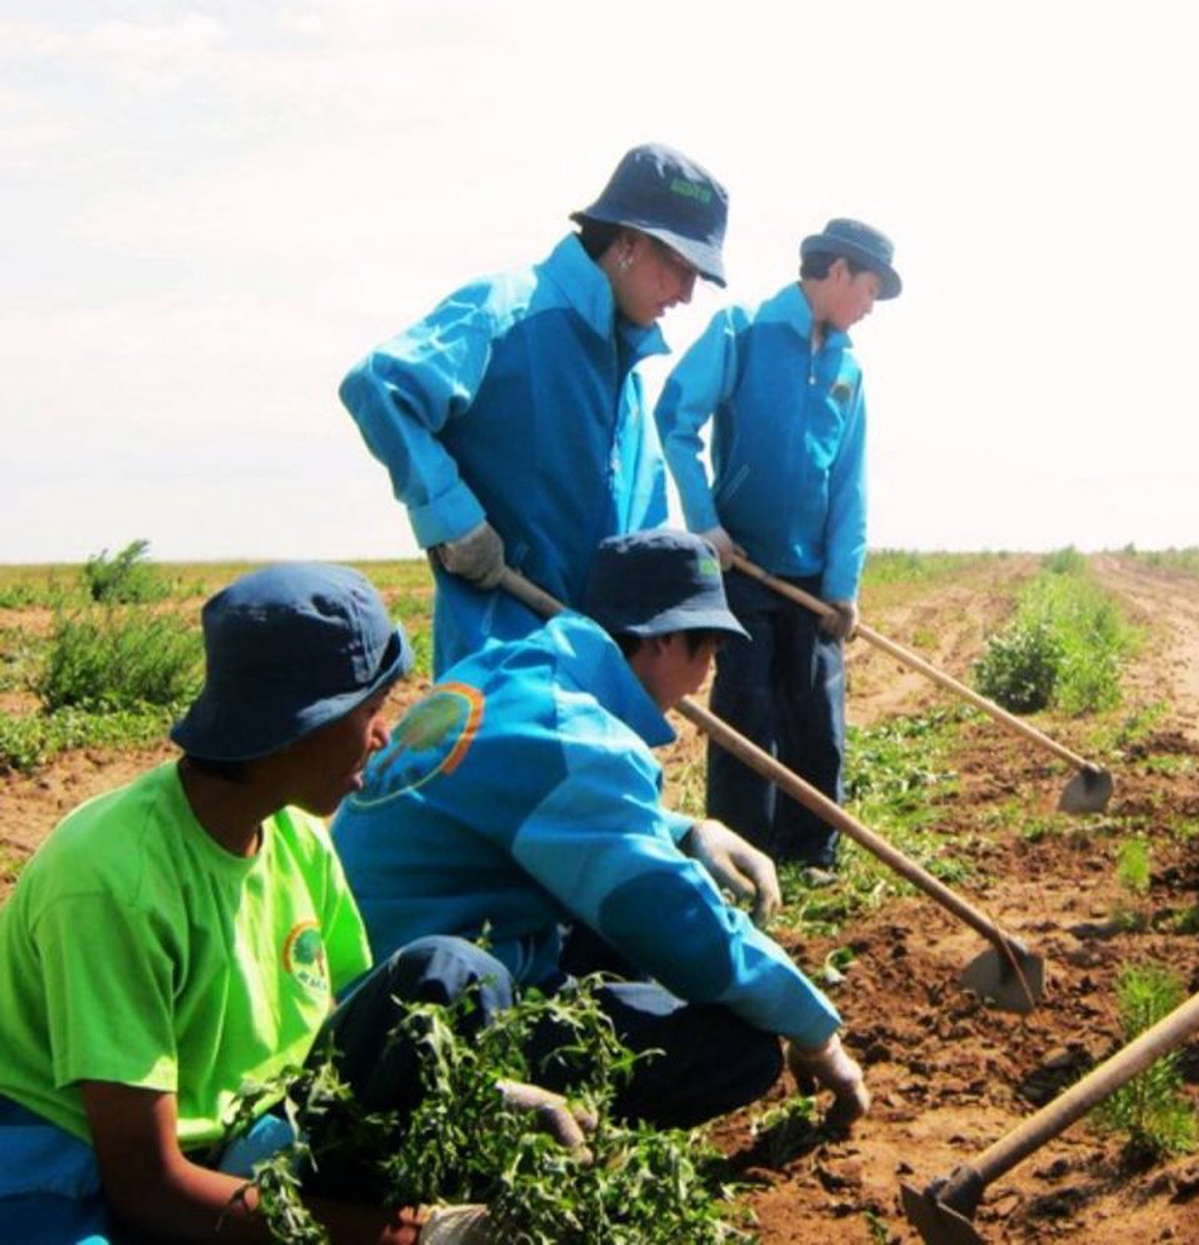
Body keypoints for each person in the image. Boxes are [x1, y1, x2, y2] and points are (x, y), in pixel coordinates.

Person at [0, 564, 499, 1243]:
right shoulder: (114, 877)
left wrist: (499, 1098)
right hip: (77, 1153)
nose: (381, 736)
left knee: (455, 977)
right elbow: (147, 1182)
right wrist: (396, 1234)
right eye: (367, 712)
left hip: (238, 1135)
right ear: (299, 725)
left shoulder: (297, 837)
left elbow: (341, 1035)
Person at [330, 530, 870, 1132]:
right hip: (424, 1022)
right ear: (664, 640)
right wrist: (816, 1035)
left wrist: (686, 832)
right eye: (707, 652)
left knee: (613, 930)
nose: (705, 677)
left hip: (376, 982)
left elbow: (533, 805)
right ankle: (533, 1121)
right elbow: (685, 929)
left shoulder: (508, 669)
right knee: (738, 1052)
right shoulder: (577, 737)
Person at [342, 143, 729, 676]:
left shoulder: (628, 376)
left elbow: (643, 523)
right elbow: (381, 386)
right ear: (629, 241)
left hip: (591, 662)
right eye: (680, 267)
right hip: (502, 660)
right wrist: (453, 518)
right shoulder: (510, 312)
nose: (686, 294)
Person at [655, 218, 902, 872]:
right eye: (870, 289)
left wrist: (843, 585)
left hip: (812, 581)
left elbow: (850, 484)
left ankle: (811, 851)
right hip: (744, 570)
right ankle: (740, 854)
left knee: (817, 719)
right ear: (839, 272)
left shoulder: (849, 369)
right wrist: (705, 522)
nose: (871, 308)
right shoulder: (743, 331)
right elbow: (675, 418)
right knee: (745, 716)